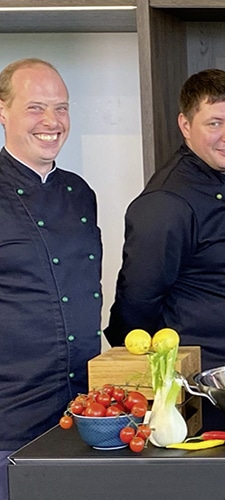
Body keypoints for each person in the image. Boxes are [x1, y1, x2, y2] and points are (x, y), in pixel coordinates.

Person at [105, 69, 225, 371]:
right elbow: (136, 305)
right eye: (215, 123)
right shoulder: (166, 202)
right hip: (202, 378)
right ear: (185, 125)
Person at [0, 59, 102, 494]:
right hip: (10, 416)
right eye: (35, 108)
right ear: (2, 112)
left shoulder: (80, 193)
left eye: (61, 108)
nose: (52, 122)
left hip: (83, 413)